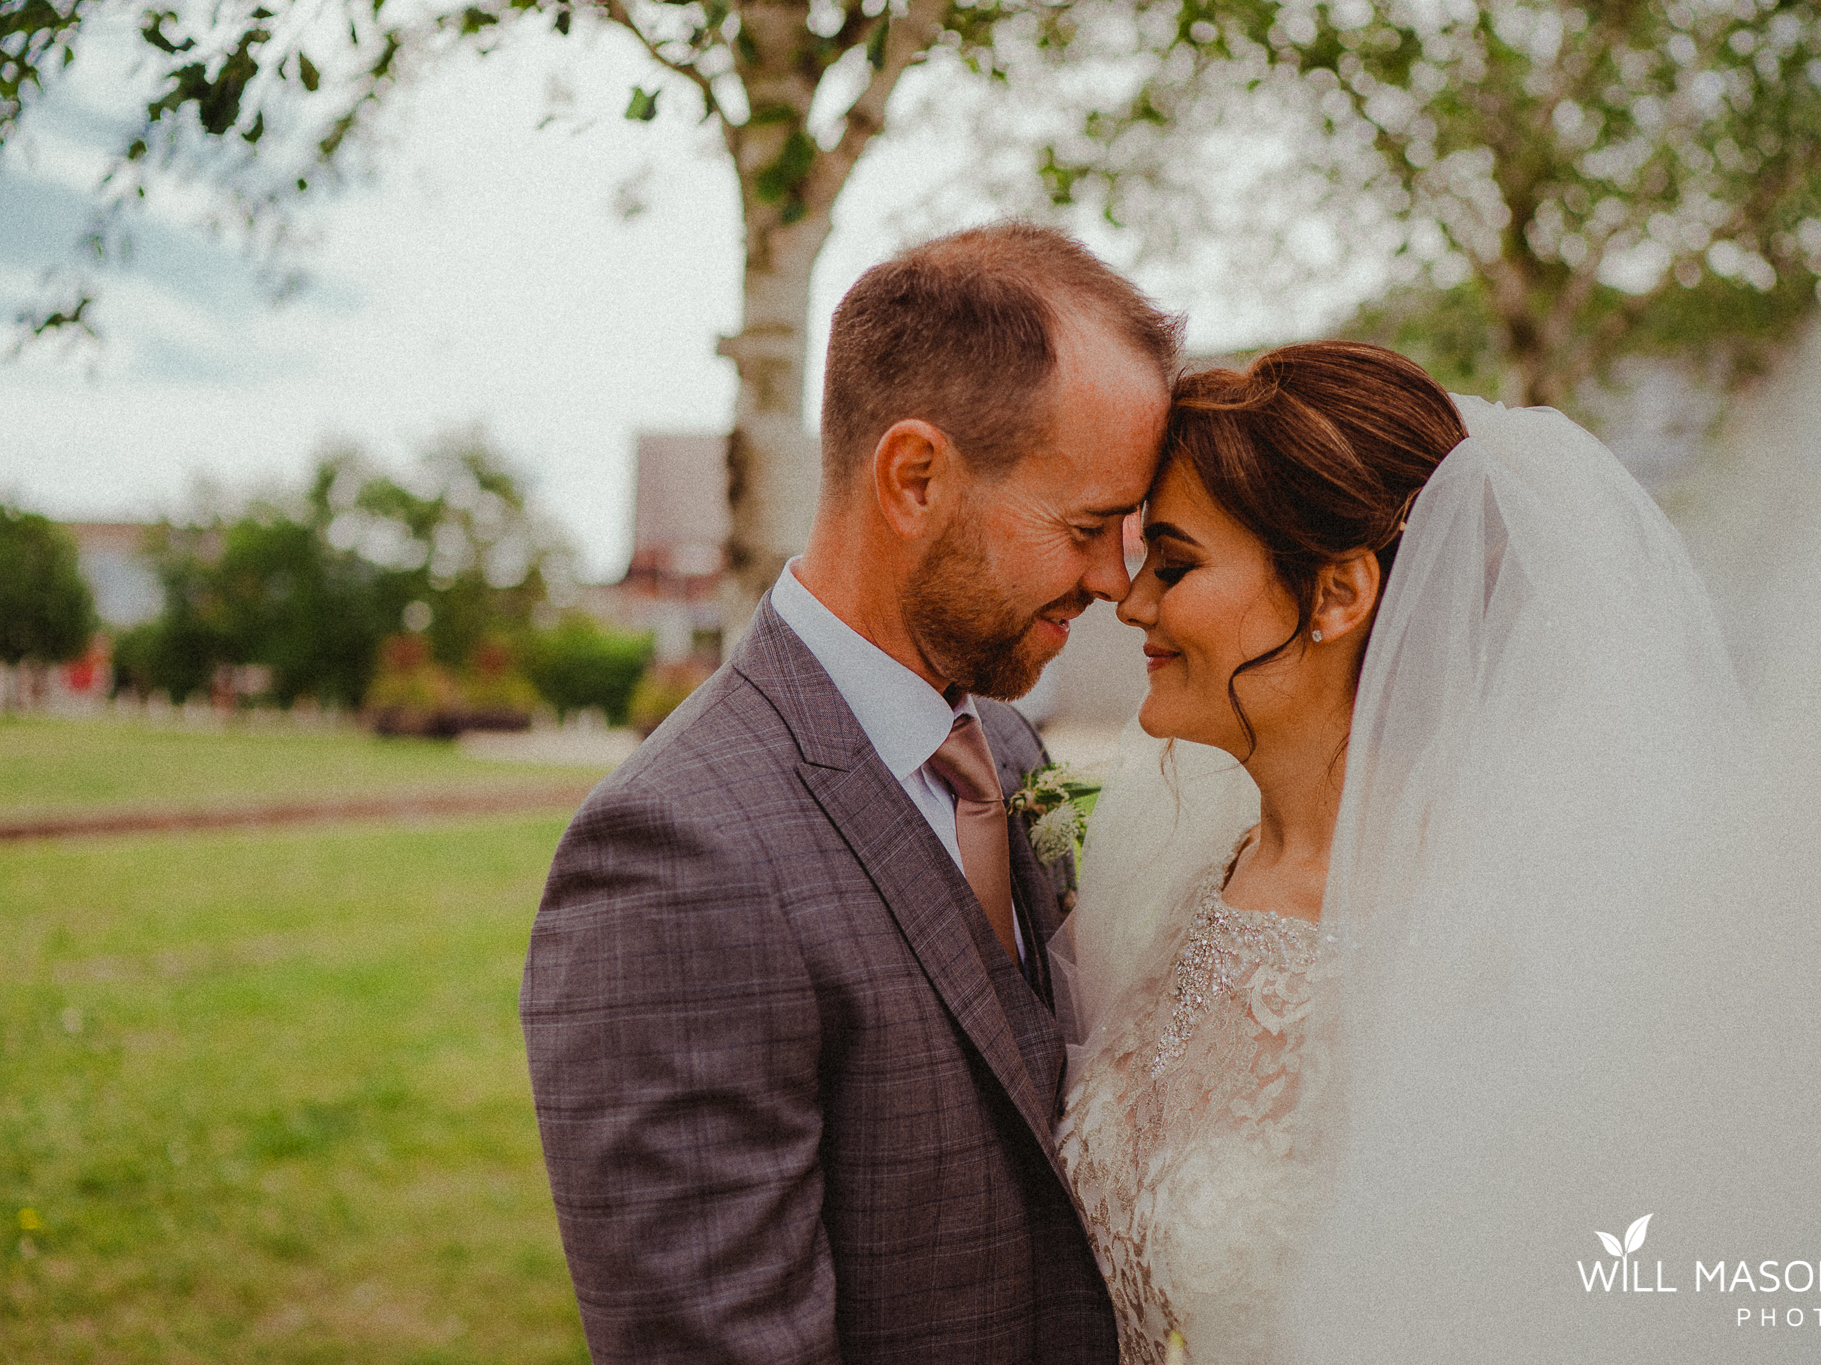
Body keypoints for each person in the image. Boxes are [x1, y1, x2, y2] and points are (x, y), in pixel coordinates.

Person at [521, 222, 1181, 1364]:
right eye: (1083, 528)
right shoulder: (676, 856)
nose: (1113, 582)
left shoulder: (1008, 753)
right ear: (914, 477)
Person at [1051, 340, 1749, 1362]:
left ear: (1336, 595)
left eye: (1175, 564)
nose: (1131, 602)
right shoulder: (1187, 879)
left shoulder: (1489, 947)